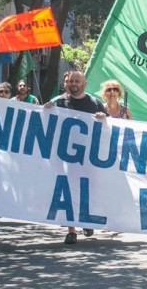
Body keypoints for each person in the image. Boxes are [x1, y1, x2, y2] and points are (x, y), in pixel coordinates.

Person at [45, 70, 106, 244]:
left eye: (77, 81)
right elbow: (44, 121)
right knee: (68, 190)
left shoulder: (94, 103)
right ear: (66, 83)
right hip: (64, 157)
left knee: (88, 189)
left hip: (89, 157)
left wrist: (104, 118)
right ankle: (71, 230)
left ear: (84, 83)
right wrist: (45, 110)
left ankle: (85, 219)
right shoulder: (57, 102)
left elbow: (109, 128)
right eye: (71, 81)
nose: (74, 84)